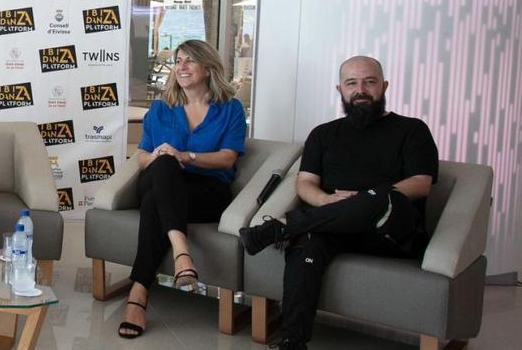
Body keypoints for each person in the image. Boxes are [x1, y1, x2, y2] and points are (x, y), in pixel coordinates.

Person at [240, 56, 437, 350]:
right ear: (340, 89)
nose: (361, 90)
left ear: (384, 86)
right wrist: (327, 200)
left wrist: (371, 198)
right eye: (352, 83)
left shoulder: (412, 129)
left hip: (388, 229)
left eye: (369, 82)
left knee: (376, 198)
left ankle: (282, 228)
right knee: (306, 244)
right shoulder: (323, 133)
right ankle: (292, 340)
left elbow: (421, 183)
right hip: (334, 228)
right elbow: (305, 183)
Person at [118, 39, 247, 339]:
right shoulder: (161, 109)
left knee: (154, 203)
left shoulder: (230, 109)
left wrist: (185, 156)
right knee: (163, 165)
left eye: (189, 60)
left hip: (207, 191)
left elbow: (228, 158)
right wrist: (163, 156)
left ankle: (138, 293)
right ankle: (181, 252)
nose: (181, 67)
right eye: (178, 61)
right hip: (158, 176)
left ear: (208, 67)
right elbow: (141, 159)